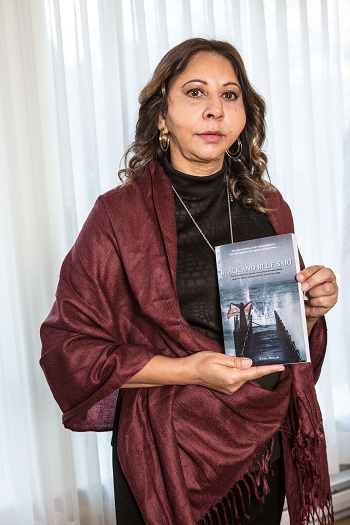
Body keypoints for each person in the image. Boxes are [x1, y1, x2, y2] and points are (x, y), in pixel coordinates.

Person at [40, 38, 338, 525]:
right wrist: (190, 371)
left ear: (245, 115)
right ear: (162, 116)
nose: (215, 110)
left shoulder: (267, 204)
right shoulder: (118, 217)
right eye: (196, 93)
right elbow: (68, 347)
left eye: (230, 95)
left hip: (263, 447)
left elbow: (281, 332)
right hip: (168, 452)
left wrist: (310, 307)